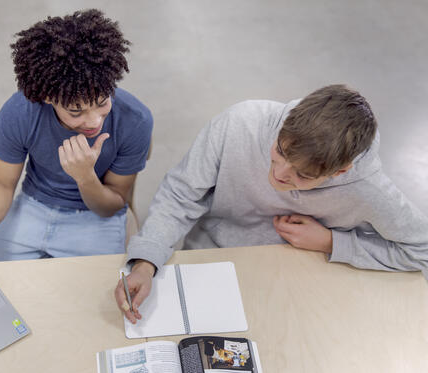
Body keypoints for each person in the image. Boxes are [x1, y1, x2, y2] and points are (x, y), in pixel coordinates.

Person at [115, 84, 428, 323]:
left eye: (302, 175)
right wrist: (146, 263)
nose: (278, 175)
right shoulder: (239, 123)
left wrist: (333, 242)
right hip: (212, 261)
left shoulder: (369, 189)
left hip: (301, 287)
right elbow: (180, 195)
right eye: (279, 151)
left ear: (341, 171)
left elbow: (421, 249)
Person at [0, 9, 153, 283]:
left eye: (102, 102)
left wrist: (85, 177)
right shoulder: (22, 111)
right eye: (76, 111)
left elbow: (112, 204)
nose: (94, 121)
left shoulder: (135, 120)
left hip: (94, 219)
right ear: (48, 98)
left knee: (92, 303)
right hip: (33, 206)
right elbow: (2, 184)